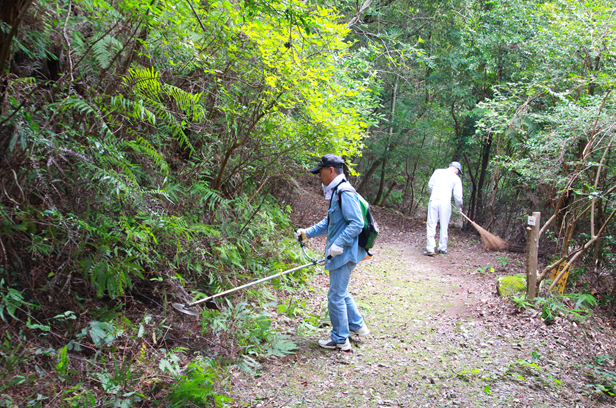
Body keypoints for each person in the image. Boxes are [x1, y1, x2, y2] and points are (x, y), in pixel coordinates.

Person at [294, 154, 369, 351]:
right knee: (341, 292)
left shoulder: (345, 192)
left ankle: (340, 339)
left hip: (345, 254)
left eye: (321, 172)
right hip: (343, 253)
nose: (319, 176)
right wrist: (306, 233)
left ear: (331, 170)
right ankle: (358, 326)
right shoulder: (336, 192)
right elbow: (329, 222)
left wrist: (339, 244)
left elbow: (357, 223)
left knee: (335, 296)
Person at [424, 161, 463, 256]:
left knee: (431, 224)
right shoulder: (456, 178)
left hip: (434, 200)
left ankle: (430, 249)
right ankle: (442, 249)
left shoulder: (437, 172)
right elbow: (458, 196)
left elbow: (430, 185)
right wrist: (458, 207)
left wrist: (434, 193)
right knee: (444, 225)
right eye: (458, 171)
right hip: (445, 203)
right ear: (456, 169)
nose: (457, 173)